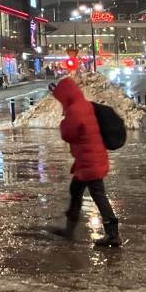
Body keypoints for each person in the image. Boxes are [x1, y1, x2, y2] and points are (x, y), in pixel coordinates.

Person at [51, 77, 121, 247]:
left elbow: (67, 134)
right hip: (88, 159)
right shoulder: (83, 105)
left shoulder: (75, 111)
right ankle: (69, 228)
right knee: (75, 190)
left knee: (98, 195)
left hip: (89, 162)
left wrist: (63, 121)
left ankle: (112, 234)